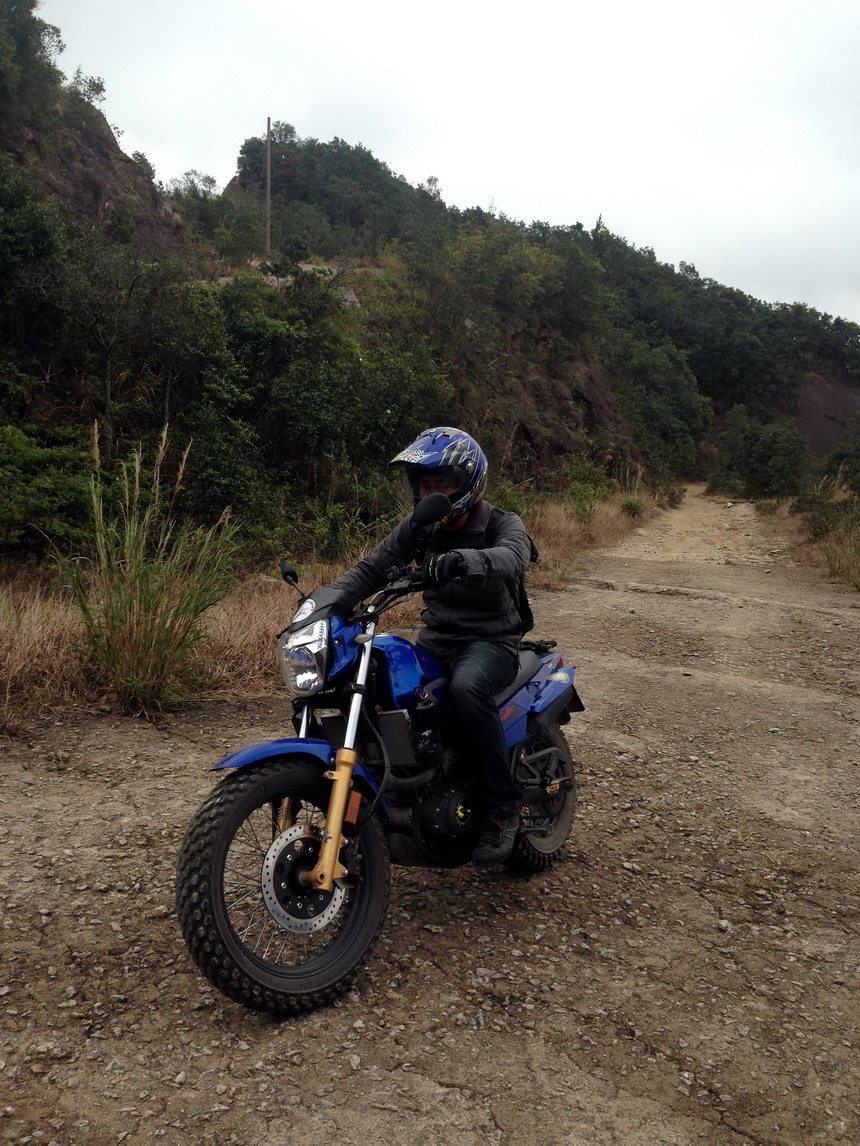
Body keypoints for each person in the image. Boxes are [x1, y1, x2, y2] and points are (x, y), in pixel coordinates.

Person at [330, 426, 533, 864]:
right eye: (425, 484)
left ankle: (503, 807)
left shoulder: (502, 522)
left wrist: (464, 560)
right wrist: (325, 601)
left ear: (467, 483)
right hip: (436, 640)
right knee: (379, 682)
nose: (431, 493)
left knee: (466, 688)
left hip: (491, 641)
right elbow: (373, 567)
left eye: (442, 483)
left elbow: (513, 556)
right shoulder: (420, 525)